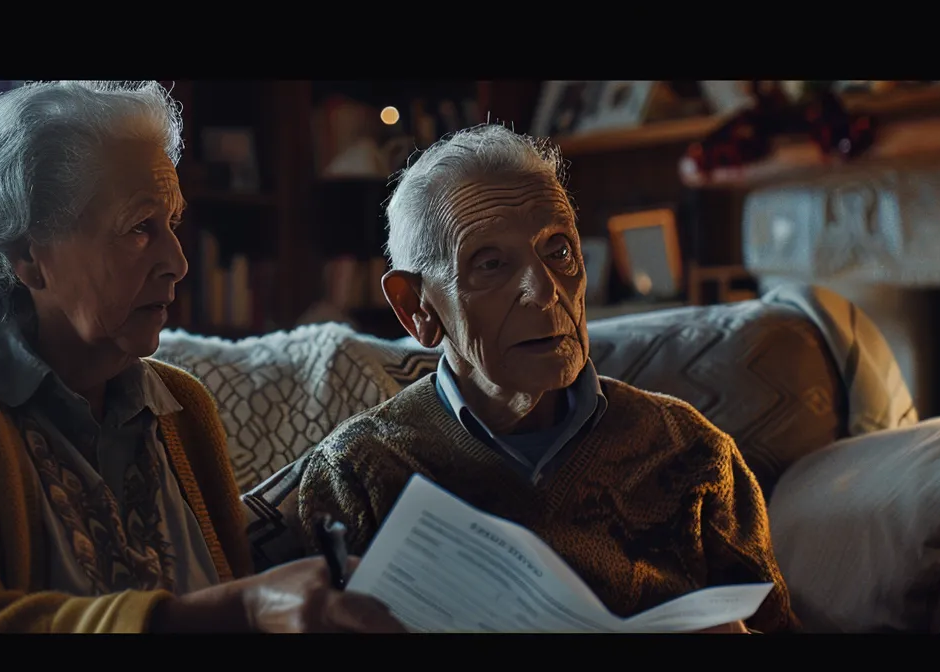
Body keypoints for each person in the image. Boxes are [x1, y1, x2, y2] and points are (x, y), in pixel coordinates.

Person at [0, 81, 402, 634]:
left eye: (173, 224)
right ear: (28, 256)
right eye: (140, 227)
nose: (178, 263)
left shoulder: (181, 409)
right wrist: (234, 610)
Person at [294, 124, 797, 633]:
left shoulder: (690, 451)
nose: (544, 291)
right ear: (417, 307)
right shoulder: (359, 473)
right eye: (490, 264)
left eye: (558, 250)